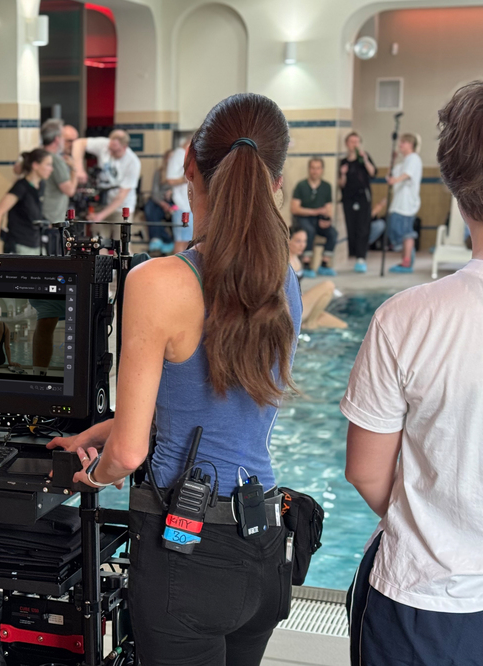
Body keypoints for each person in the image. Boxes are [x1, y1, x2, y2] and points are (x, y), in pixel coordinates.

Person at [50, 93, 302, 666]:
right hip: (264, 547)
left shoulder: (157, 280)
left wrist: (94, 472)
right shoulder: (284, 278)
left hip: (185, 557)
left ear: (189, 163)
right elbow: (212, 410)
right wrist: (102, 431)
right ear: (278, 182)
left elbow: (129, 455)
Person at [340, 81, 483, 664]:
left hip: (423, 601)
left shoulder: (407, 318)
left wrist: (437, 521)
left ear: (454, 184)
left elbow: (366, 472)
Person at [71, 129, 141, 240]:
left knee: (122, 244)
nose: (111, 152)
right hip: (102, 202)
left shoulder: (133, 162)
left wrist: (100, 216)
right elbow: (78, 143)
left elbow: (121, 196)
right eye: (110, 149)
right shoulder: (104, 144)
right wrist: (78, 169)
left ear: (124, 147)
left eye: (115, 151)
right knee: (98, 243)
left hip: (122, 207)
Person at [0, 149, 53, 255]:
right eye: (48, 165)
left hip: (36, 243)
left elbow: (34, 213)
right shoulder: (21, 187)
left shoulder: (41, 185)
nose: (51, 169)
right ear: (35, 165)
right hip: (19, 244)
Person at [289, 226, 347, 330]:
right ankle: (309, 324)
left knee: (342, 325)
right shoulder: (284, 263)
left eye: (304, 241)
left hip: (301, 303)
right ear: (287, 241)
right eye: (298, 241)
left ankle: (310, 322)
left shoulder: (297, 258)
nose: (302, 245)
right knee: (328, 285)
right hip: (292, 310)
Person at [291, 157, 337, 277]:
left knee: (332, 233)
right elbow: (295, 208)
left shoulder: (326, 186)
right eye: (312, 168)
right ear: (309, 169)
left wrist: (327, 220)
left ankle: (324, 264)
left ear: (322, 170)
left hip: (319, 219)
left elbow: (328, 208)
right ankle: (306, 265)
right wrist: (315, 211)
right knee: (309, 231)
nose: (315, 171)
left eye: (318, 168)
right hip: (302, 219)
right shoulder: (301, 186)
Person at [338, 132, 377, 272]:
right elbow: (341, 184)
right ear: (346, 144)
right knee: (351, 227)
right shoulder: (343, 162)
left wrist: (365, 160)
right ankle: (354, 253)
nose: (354, 144)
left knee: (363, 227)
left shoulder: (364, 158)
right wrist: (343, 173)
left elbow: (373, 173)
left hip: (363, 198)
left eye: (356, 142)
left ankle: (361, 257)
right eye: (351, 142)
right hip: (349, 198)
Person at [385, 133, 423, 273]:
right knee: (397, 230)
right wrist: (393, 160)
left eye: (404, 142)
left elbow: (407, 174)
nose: (400, 144)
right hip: (399, 203)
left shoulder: (414, 158)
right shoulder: (403, 163)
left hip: (406, 203)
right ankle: (406, 259)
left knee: (406, 232)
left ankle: (407, 262)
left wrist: (395, 180)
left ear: (411, 144)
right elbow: (390, 176)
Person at [40, 119, 79, 253]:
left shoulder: (38, 155)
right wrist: (73, 169)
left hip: (39, 218)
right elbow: (70, 190)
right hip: (52, 221)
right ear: (57, 139)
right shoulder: (55, 161)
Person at [144, 149, 175, 254]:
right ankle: (160, 239)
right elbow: (154, 192)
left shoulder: (180, 174)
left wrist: (172, 193)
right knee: (150, 208)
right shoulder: (159, 172)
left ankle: (161, 239)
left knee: (156, 213)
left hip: (172, 201)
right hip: (158, 200)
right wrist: (162, 204)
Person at [165, 136, 193, 252]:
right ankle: (178, 263)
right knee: (181, 239)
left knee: (187, 240)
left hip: (189, 205)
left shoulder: (189, 156)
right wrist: (186, 179)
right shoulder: (179, 155)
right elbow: (170, 179)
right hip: (181, 205)